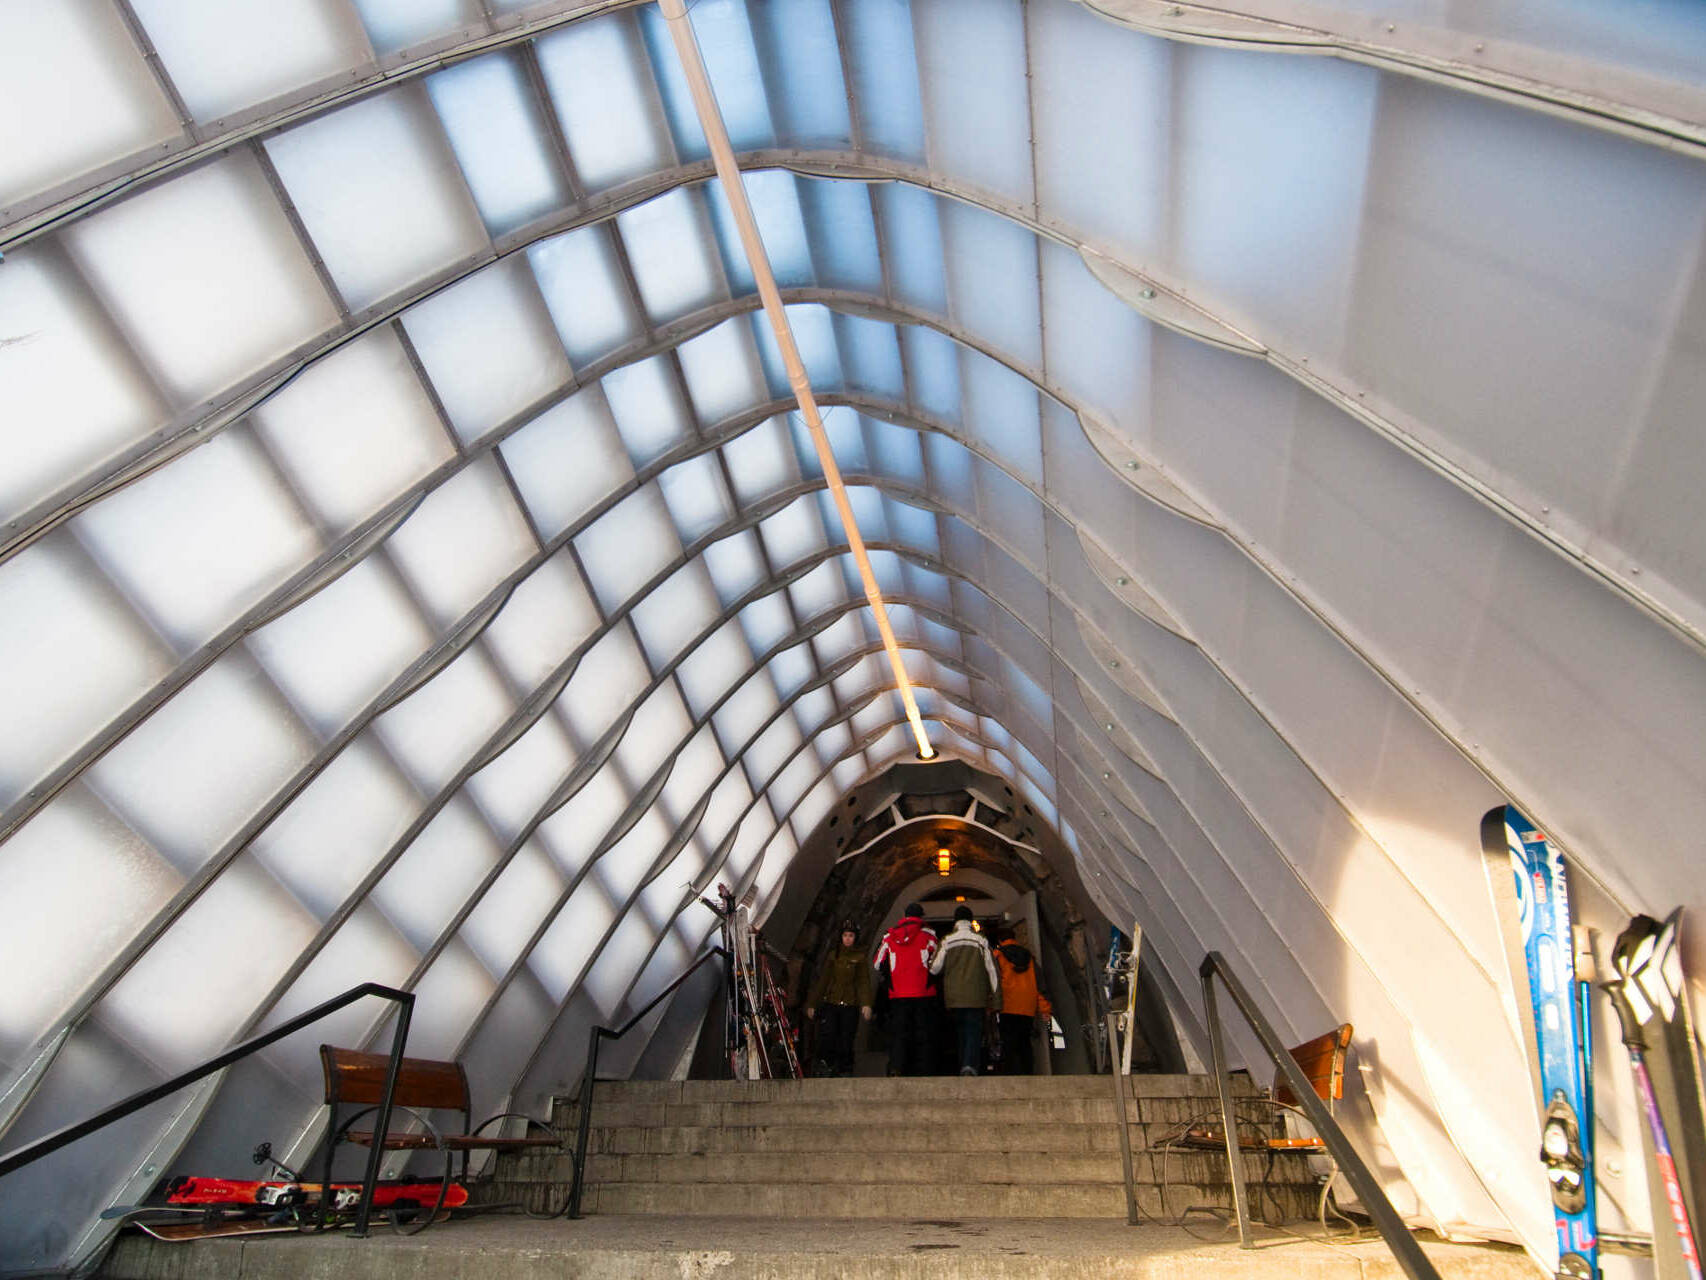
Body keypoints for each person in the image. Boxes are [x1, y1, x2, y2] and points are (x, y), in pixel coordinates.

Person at [929, 906, 1001, 1076]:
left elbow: (935, 968)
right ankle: (969, 1065)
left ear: (955, 921)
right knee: (973, 1030)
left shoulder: (947, 940)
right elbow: (992, 971)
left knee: (961, 1031)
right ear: (970, 920)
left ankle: (963, 1064)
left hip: (954, 998)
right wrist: (997, 999)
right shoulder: (980, 941)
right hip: (976, 996)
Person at [873, 902, 938, 1076]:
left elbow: (877, 963)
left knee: (899, 1033)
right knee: (923, 1032)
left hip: (898, 993)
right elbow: (938, 962)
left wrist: (891, 977)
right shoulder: (929, 936)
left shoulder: (889, 936)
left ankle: (897, 1067)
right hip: (923, 992)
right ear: (920, 916)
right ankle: (924, 1069)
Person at [804, 921, 873, 1077]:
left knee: (846, 1037)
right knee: (828, 1034)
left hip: (850, 1004)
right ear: (841, 937)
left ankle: (845, 1067)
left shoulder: (860, 958)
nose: (848, 939)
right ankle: (826, 1064)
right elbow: (824, 980)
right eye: (845, 935)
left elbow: (863, 982)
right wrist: (812, 1004)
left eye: (851, 936)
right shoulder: (833, 956)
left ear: (855, 938)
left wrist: (866, 1004)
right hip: (832, 1002)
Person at [991, 927, 1045, 1075]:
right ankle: (1028, 1074)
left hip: (1007, 1005)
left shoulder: (997, 956)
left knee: (1008, 1043)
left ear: (1000, 941)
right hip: (1027, 1006)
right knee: (1025, 1043)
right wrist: (1044, 1009)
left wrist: (991, 1006)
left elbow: (993, 981)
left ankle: (1010, 1075)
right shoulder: (1029, 957)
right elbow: (1040, 984)